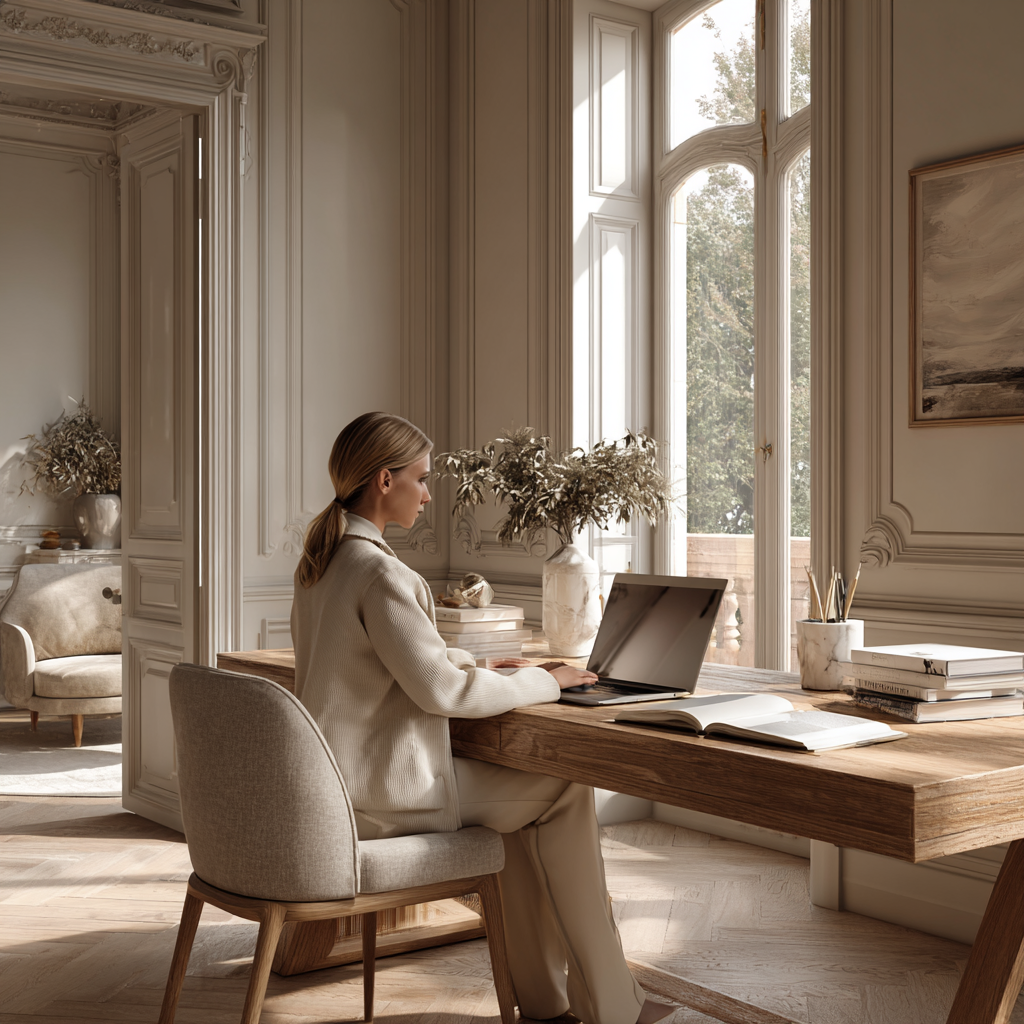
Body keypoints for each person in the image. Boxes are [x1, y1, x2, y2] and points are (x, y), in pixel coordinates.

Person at [291, 411, 674, 1024]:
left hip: (339, 786)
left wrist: (491, 665)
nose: (427, 492)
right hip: (378, 794)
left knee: (522, 812)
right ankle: (612, 1008)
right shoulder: (382, 572)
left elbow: (399, 658)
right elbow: (442, 692)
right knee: (567, 789)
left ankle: (548, 1004)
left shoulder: (328, 562)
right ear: (384, 481)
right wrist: (543, 681)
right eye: (420, 478)